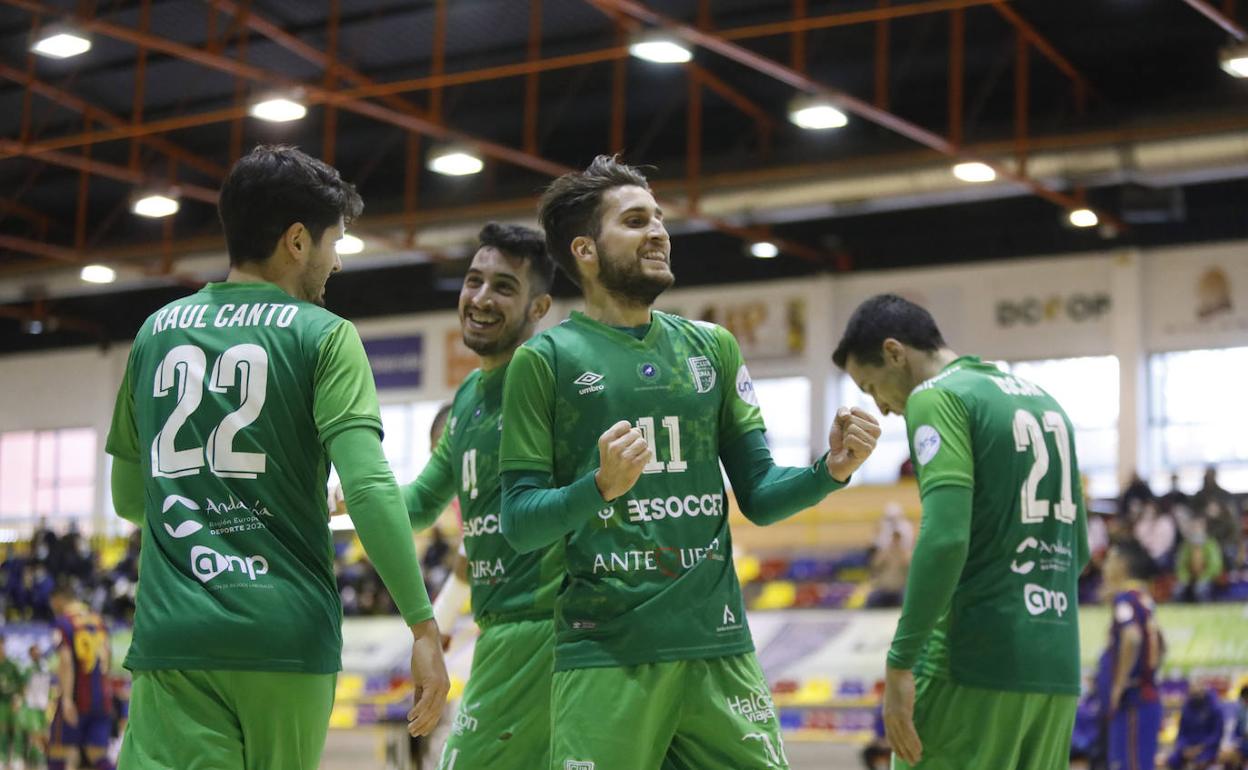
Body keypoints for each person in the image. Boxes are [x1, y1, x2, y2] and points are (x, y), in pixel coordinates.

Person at [500, 154, 880, 769]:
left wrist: (828, 471)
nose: (658, 231)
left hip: (718, 647)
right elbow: (518, 522)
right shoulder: (545, 362)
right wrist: (599, 487)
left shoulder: (712, 347)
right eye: (634, 221)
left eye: (658, 217)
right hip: (606, 654)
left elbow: (756, 492)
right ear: (586, 252)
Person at [104, 145, 448, 770]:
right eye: (333, 242)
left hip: (174, 635)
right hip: (283, 634)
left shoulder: (154, 332)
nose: (337, 260)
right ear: (296, 241)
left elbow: (130, 500)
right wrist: (423, 627)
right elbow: (368, 488)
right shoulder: (324, 335)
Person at [833, 293, 1089, 770]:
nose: (883, 409)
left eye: (872, 388)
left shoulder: (937, 397)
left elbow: (946, 535)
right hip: (1055, 665)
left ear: (895, 352)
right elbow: (1081, 552)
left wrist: (900, 662)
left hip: (970, 659)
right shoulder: (1045, 402)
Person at [343, 222, 557, 770]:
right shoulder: (466, 398)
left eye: (504, 286)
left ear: (539, 308)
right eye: (473, 281)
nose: (481, 298)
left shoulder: (555, 381)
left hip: (553, 628)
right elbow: (419, 504)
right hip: (501, 631)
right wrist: (362, 496)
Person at [1098, 543, 1165, 770]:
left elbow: (1132, 637)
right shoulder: (1144, 599)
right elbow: (1161, 645)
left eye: (1109, 560)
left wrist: (1118, 684)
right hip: (1145, 698)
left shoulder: (1125, 599)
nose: (1104, 567)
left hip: (1133, 702)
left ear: (1122, 565)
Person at [46, 585, 113, 770]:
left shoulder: (63, 622)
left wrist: (66, 699)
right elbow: (108, 656)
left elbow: (66, 661)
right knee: (96, 753)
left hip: (76, 697)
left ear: (59, 599)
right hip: (101, 698)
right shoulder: (98, 620)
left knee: (57, 752)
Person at [1166, 687, 1223, 770]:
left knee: (1200, 763)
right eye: (1193, 694)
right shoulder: (1187, 708)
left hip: (1207, 748)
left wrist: (1200, 747)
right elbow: (1181, 734)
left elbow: (1216, 735)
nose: (1195, 696)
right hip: (1188, 747)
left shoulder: (1214, 709)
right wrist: (1183, 748)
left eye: (1198, 693)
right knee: (1173, 760)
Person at [17, 643, 52, 769]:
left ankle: (42, 760)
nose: (37, 653)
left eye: (38, 650)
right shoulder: (27, 669)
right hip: (31, 707)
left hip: (43, 707)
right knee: (35, 735)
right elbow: (23, 687)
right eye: (35, 651)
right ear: (30, 654)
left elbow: (48, 687)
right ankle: (34, 762)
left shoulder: (44, 667)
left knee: (44, 736)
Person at [1175, 517, 1223, 602]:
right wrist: (1185, 577)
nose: (1195, 530)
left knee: (1200, 589)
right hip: (1190, 576)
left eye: (1198, 527)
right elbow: (1181, 564)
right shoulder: (1186, 545)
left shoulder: (1211, 544)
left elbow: (1215, 565)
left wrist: (1203, 577)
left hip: (1206, 576)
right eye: (1193, 527)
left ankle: (1205, 608)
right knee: (1178, 589)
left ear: (1203, 528)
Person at [0, 638, 20, 770]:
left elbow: (20, 684)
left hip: (12, 703)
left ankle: (15, 758)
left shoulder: (11, 665)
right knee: (2, 731)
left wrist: (17, 699)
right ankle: (2, 758)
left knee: (15, 731)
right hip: (1, 704)